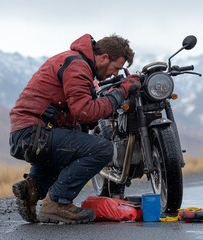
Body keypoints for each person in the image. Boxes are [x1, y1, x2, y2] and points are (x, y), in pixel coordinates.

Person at [9, 33, 141, 224]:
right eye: (116, 68)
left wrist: (109, 96)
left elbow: (78, 112)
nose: (114, 74)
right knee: (102, 149)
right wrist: (121, 93)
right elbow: (84, 111)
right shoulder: (78, 66)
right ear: (104, 58)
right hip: (34, 134)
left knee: (75, 139)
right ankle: (58, 203)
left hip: (30, 133)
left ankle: (32, 189)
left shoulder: (73, 60)